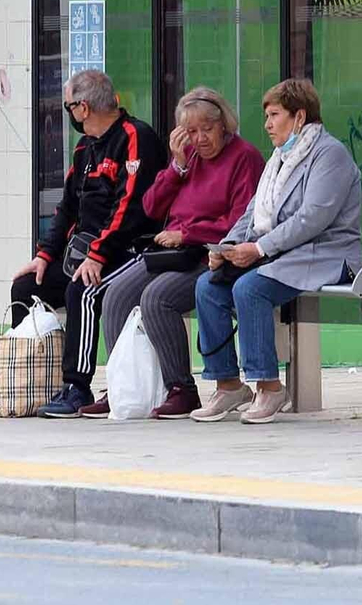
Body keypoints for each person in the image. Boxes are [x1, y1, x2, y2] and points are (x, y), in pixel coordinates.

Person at [0, 69, 165, 418]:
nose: (69, 115)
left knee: (82, 290)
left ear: (82, 108)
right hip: (84, 253)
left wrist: (97, 254)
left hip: (127, 251)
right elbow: (66, 208)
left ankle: (77, 386)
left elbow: (130, 207)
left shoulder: (134, 137)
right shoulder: (85, 148)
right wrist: (44, 256)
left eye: (67, 108)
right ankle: (28, 383)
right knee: (26, 287)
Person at [86, 86, 264, 419]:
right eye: (192, 132)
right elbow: (152, 207)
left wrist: (188, 233)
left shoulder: (244, 157)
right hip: (170, 252)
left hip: (207, 254)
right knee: (115, 295)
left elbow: (242, 221)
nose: (200, 139)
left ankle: (181, 389)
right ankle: (122, 386)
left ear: (224, 124)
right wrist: (177, 167)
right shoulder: (189, 158)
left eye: (207, 130)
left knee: (157, 298)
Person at [191, 78, 361, 426]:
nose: (267, 124)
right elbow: (254, 211)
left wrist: (259, 248)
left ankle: (268, 386)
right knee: (208, 287)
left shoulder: (330, 154)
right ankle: (228, 385)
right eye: (266, 116)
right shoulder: (281, 157)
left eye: (274, 115)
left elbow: (313, 217)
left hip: (327, 253)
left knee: (249, 288)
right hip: (284, 254)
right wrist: (226, 247)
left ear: (299, 117)